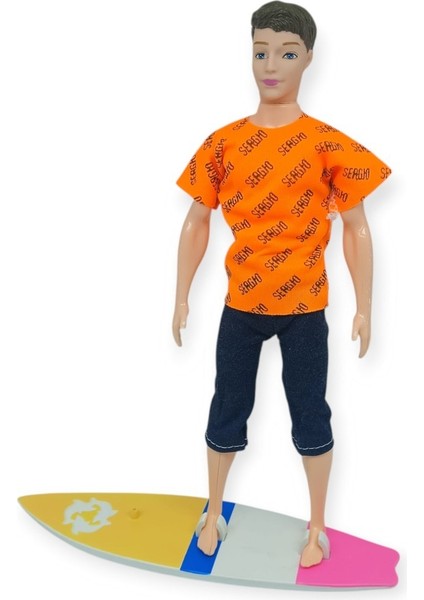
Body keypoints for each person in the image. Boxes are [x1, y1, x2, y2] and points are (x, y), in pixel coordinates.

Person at [172, 0, 391, 568]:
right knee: (227, 406)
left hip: (305, 308)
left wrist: (365, 306)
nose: (271, 65)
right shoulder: (224, 142)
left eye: (287, 53)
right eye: (261, 52)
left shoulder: (327, 144)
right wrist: (181, 295)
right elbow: (196, 220)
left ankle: (317, 526)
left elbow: (357, 227)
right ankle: (213, 511)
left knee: (311, 413)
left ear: (309, 59)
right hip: (242, 304)